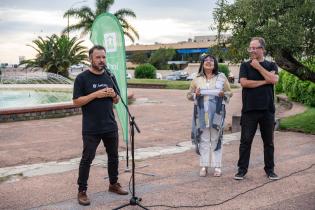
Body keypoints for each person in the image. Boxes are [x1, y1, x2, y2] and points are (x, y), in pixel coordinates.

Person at [73, 45, 128, 206]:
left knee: (113, 156)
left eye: (103, 57)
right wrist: (95, 94)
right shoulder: (82, 78)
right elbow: (76, 101)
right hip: (91, 127)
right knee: (87, 159)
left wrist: (113, 95)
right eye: (98, 57)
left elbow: (117, 100)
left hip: (110, 125)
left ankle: (113, 184)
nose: (101, 60)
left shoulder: (110, 76)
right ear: (90, 58)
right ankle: (82, 191)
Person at [234, 37, 280, 180]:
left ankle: (270, 170)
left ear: (262, 49)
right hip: (249, 110)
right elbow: (244, 83)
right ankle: (242, 170)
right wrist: (265, 80)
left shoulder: (272, 65)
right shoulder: (244, 66)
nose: (252, 50)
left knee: (269, 142)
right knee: (245, 141)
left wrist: (258, 67)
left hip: (267, 110)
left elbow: (274, 80)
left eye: (255, 48)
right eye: (250, 48)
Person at [187, 54, 232, 177]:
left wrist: (224, 94)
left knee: (216, 139)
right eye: (206, 60)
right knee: (204, 139)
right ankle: (204, 165)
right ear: (202, 64)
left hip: (217, 113)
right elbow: (189, 95)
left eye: (211, 60)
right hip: (201, 114)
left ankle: (217, 166)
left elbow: (229, 92)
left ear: (215, 64)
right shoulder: (196, 78)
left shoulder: (221, 77)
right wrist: (195, 94)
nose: (208, 62)